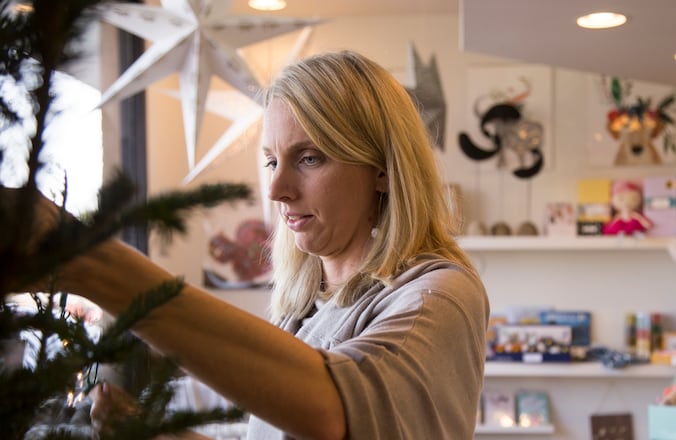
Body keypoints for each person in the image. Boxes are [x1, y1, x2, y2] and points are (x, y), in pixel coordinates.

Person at [49, 50, 490, 439]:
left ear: (381, 169)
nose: (277, 189)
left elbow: (335, 413)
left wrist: (94, 264)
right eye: (272, 161)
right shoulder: (303, 313)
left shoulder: (438, 296)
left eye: (309, 158)